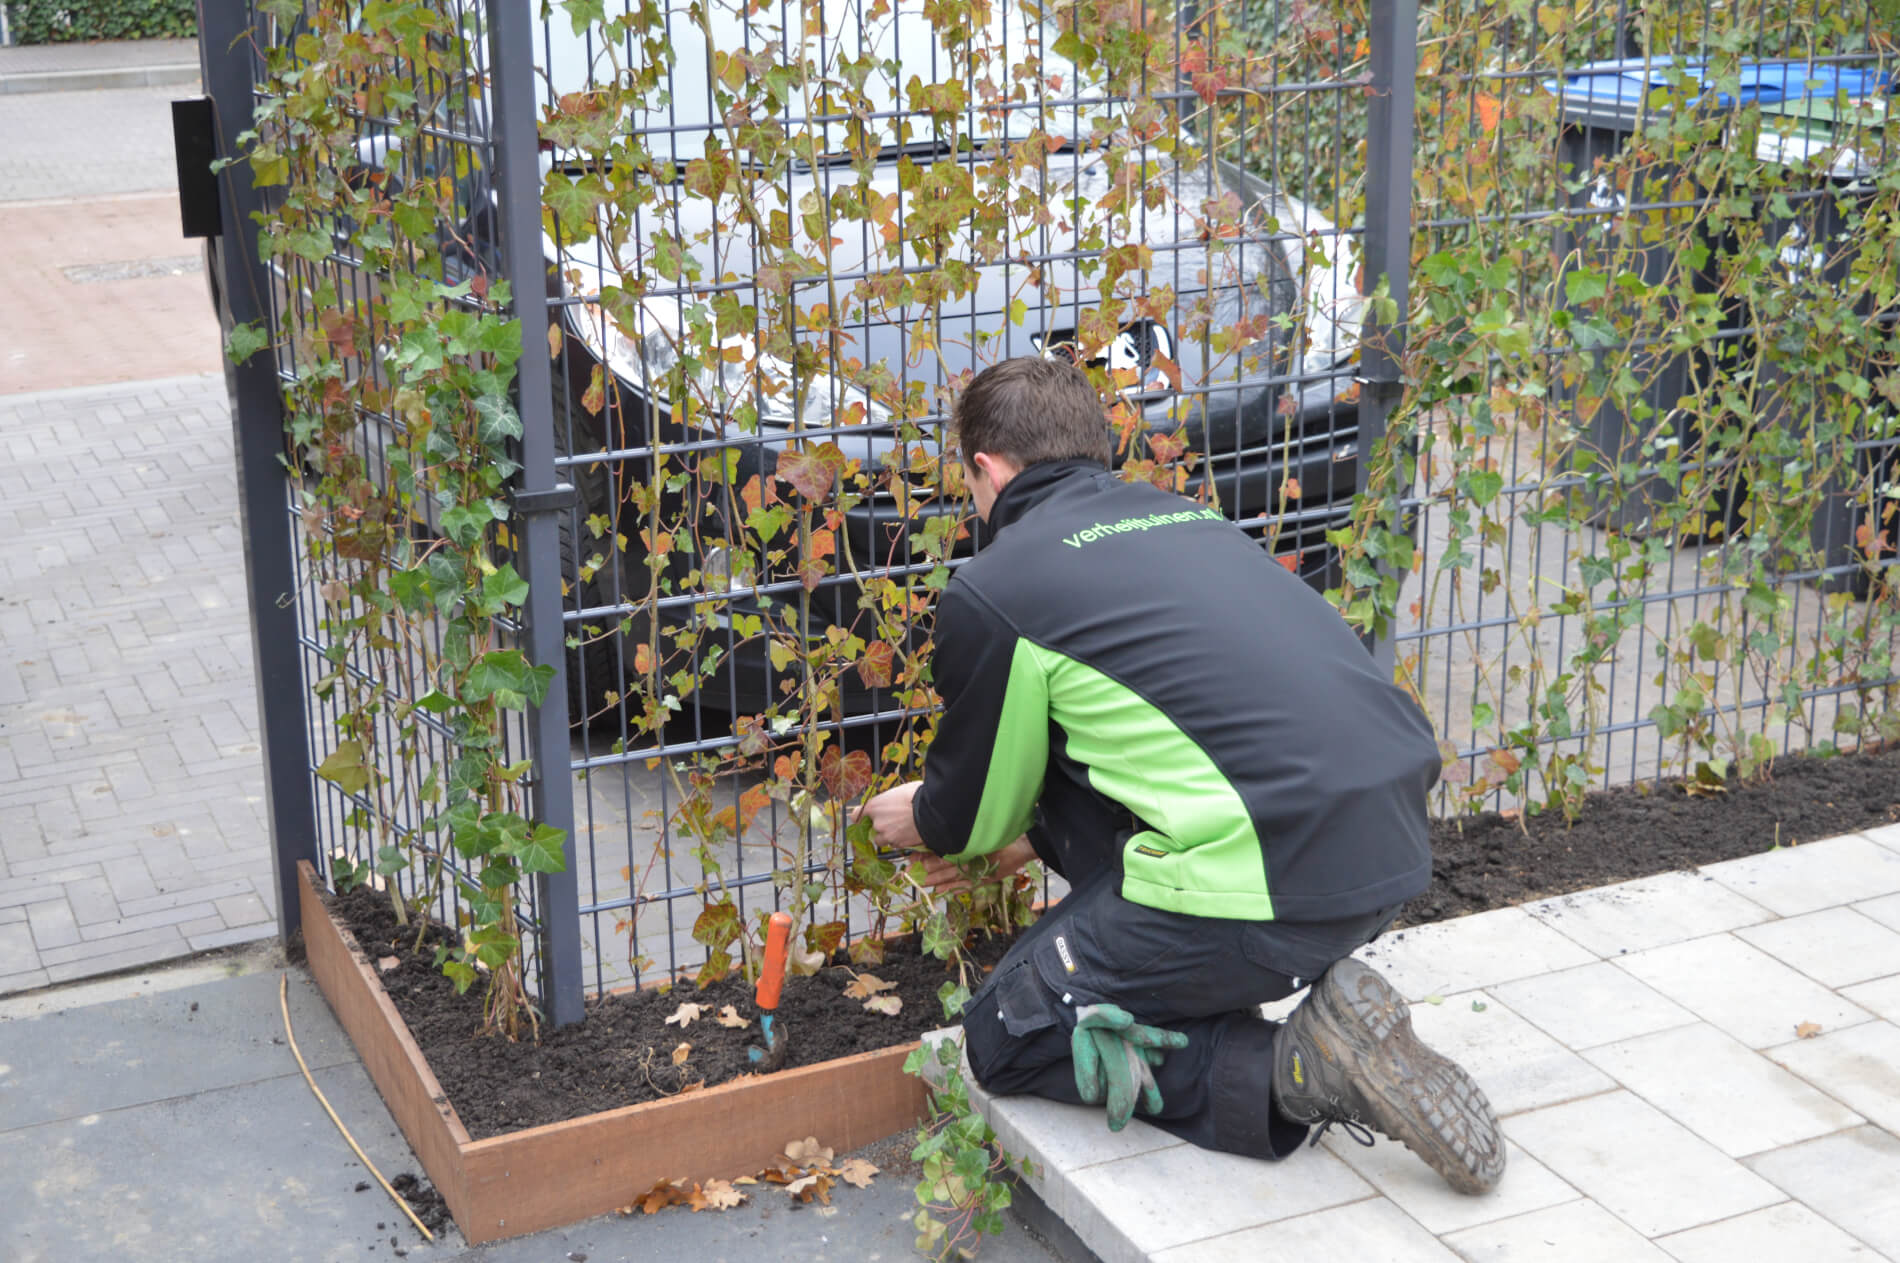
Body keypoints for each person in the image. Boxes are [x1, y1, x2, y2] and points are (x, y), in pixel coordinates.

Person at [854, 355, 1504, 1194]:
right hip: (1387, 848)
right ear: (1096, 445)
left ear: (985, 469)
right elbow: (1162, 736)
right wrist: (1037, 834)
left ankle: (1296, 1067)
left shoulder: (998, 586)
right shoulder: (1182, 521)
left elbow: (969, 813)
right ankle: (1294, 1005)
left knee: (1006, 1032)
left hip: (1270, 884)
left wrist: (926, 817)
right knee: (1134, 909)